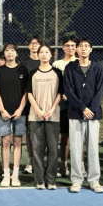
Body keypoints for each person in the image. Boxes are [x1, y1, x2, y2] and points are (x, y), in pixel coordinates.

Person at [64, 38, 103, 194]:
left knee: (93, 148)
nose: (83, 48)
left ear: (91, 49)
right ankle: (76, 180)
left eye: (86, 46)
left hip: (93, 114)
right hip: (76, 113)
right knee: (75, 148)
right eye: (80, 46)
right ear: (76, 49)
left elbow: (100, 90)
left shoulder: (97, 68)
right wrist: (82, 108)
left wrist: (91, 109)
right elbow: (68, 90)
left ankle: (94, 180)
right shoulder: (70, 68)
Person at [0, 43, 29, 188]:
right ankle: (6, 174)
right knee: (5, 142)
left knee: (17, 143)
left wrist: (20, 109)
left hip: (20, 113)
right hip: (3, 114)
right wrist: (2, 110)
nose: (10, 53)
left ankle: (15, 175)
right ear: (4, 53)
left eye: (12, 50)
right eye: (7, 50)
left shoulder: (23, 70)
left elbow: (26, 92)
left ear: (16, 53)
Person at [28, 44, 64, 190]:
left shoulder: (57, 73)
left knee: (53, 149)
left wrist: (52, 109)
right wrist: (38, 110)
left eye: (46, 52)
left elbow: (60, 93)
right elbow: (29, 93)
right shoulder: (33, 73)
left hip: (52, 117)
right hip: (35, 117)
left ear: (51, 55)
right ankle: (39, 180)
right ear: (38, 55)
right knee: (37, 149)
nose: (43, 54)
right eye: (41, 52)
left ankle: (51, 180)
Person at [53, 36, 79, 178]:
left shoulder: (80, 62)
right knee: (64, 136)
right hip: (62, 106)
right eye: (67, 45)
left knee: (78, 137)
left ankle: (79, 166)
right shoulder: (57, 64)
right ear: (63, 47)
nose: (70, 48)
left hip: (77, 106)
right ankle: (63, 165)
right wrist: (62, 94)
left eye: (73, 45)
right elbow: (55, 83)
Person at [23, 37, 42, 175]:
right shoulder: (24, 64)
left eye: (37, 43)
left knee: (43, 135)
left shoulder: (45, 62)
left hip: (44, 103)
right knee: (30, 135)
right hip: (29, 103)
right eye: (32, 43)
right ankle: (30, 162)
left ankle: (40, 162)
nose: (34, 45)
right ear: (29, 46)